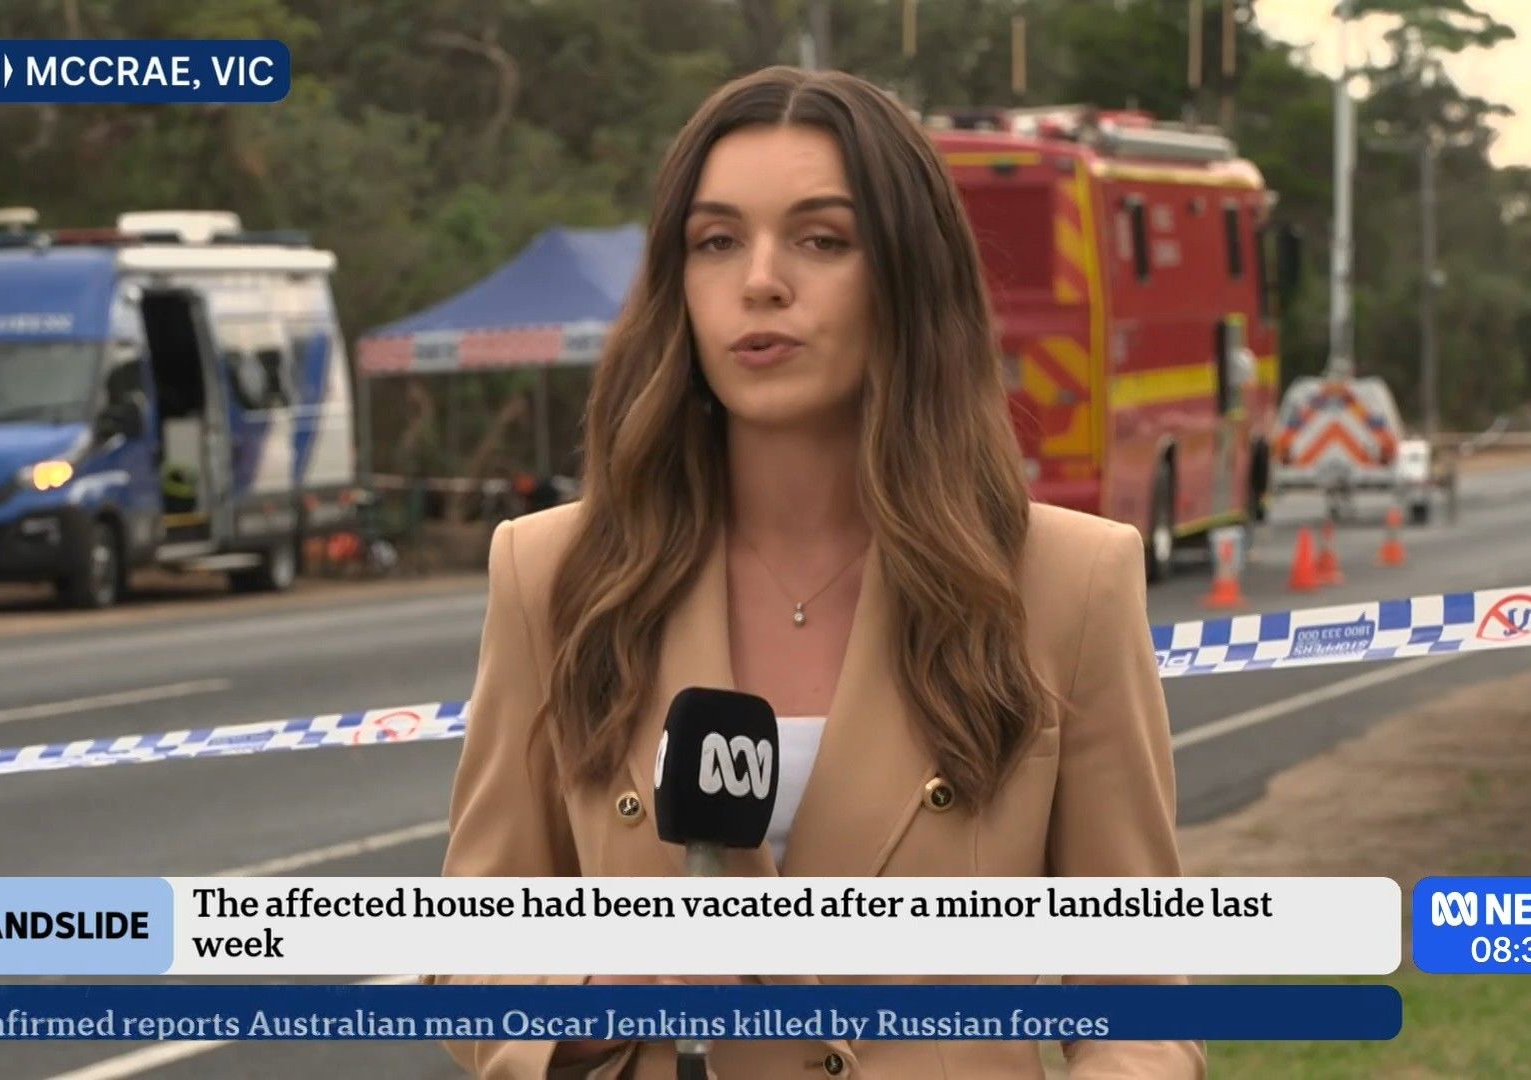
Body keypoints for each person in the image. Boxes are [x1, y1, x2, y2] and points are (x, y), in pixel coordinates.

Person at [429, 66, 1202, 1079]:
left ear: (907, 280)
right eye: (716, 242)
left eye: (821, 240)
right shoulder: (551, 574)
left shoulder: (1072, 581)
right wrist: (593, 999)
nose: (760, 281)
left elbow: (1141, 1007)